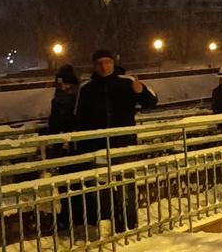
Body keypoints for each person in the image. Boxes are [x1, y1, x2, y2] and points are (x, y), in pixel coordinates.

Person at [74, 49, 158, 230]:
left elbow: (151, 102)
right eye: (100, 63)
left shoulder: (127, 82)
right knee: (102, 191)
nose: (104, 66)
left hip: (124, 145)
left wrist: (140, 91)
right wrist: (82, 147)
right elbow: (79, 119)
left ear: (113, 63)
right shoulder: (87, 88)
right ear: (94, 66)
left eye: (107, 62)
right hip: (98, 147)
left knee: (126, 189)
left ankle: (129, 224)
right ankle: (110, 224)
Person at [44, 64, 80, 230]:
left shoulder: (71, 100)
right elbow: (54, 124)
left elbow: (57, 124)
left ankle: (70, 218)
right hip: (66, 147)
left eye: (64, 83)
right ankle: (69, 218)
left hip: (72, 146)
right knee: (68, 185)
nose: (62, 86)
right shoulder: (60, 100)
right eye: (59, 84)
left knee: (71, 185)